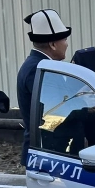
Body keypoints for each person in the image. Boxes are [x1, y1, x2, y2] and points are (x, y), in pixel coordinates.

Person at [17, 9, 71, 165]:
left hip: (48, 151)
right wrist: (87, 109)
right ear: (53, 44)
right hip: (47, 152)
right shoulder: (39, 68)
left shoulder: (40, 65)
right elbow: (55, 110)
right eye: (64, 39)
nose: (67, 44)